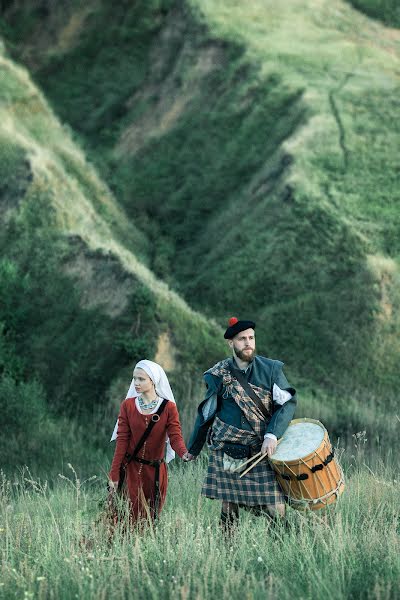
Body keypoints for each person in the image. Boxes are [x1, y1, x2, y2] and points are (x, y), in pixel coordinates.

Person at [186, 317, 297, 532]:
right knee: (229, 502)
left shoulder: (271, 369)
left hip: (262, 447)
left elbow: (287, 404)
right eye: (242, 339)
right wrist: (193, 448)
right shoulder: (218, 375)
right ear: (231, 343)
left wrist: (271, 435)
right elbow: (207, 413)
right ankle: (228, 550)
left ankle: (282, 546)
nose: (248, 343)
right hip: (229, 448)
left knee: (276, 505)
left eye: (251, 338)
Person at [109, 359, 191, 522]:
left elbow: (175, 436)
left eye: (141, 379)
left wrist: (184, 453)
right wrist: (114, 475)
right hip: (131, 471)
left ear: (153, 381)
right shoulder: (128, 406)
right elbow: (122, 442)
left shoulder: (168, 408)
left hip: (156, 474)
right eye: (135, 378)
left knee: (151, 520)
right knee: (127, 519)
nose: (136, 383)